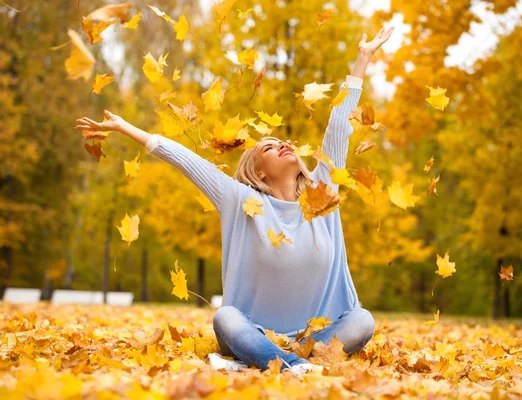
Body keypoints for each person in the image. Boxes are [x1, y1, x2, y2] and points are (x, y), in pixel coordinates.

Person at [75, 26, 394, 378]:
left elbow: (338, 128)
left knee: (362, 320)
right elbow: (185, 160)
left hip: (314, 339)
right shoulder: (240, 200)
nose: (282, 144)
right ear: (259, 173)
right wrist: (125, 129)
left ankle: (287, 363)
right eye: (269, 148)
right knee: (224, 317)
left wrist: (362, 58)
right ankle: (291, 365)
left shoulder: (323, 192)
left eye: (281, 141)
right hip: (251, 333)